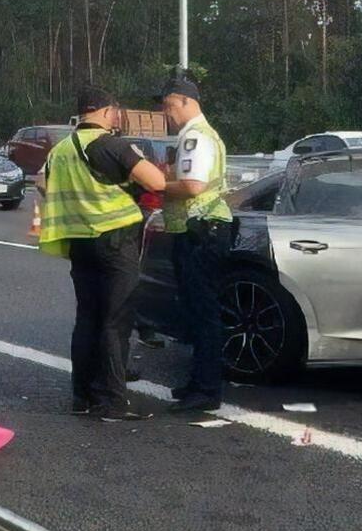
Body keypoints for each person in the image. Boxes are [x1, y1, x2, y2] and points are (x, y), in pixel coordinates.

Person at [39, 85, 168, 420]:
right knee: (116, 321)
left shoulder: (61, 150)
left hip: (79, 242)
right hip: (113, 241)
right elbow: (156, 181)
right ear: (108, 111)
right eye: (116, 111)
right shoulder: (109, 144)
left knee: (87, 319)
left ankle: (81, 396)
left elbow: (43, 184)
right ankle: (111, 400)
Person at [155, 74, 233, 413]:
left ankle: (206, 388)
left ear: (187, 102)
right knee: (196, 312)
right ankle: (198, 382)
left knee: (203, 313)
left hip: (200, 231)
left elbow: (191, 187)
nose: (167, 115)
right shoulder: (199, 135)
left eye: (169, 107)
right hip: (201, 230)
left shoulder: (195, 138)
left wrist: (158, 183)